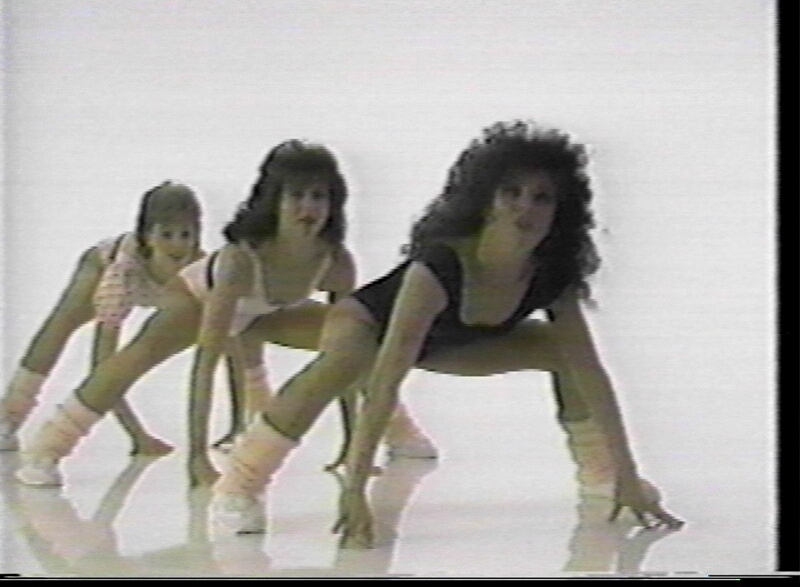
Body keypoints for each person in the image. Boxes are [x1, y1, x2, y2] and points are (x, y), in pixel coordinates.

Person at [209, 120, 685, 545]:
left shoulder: (551, 275)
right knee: (345, 362)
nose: (525, 207)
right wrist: (355, 489)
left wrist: (627, 473)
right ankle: (238, 484)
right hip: (370, 325)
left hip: (453, 343)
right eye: (512, 193)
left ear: (561, 211)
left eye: (542, 197)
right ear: (487, 201)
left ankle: (600, 478)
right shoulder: (438, 267)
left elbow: (592, 374)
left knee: (561, 349)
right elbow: (385, 380)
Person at [13, 140, 434, 489]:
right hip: (198, 301)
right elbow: (207, 361)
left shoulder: (336, 260)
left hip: (265, 312)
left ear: (334, 202)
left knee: (359, 342)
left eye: (319, 196)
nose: (308, 207)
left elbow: (342, 357)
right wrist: (197, 457)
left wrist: (352, 446)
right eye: (296, 196)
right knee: (131, 362)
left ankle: (398, 434)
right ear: (273, 201)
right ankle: (46, 449)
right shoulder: (239, 260)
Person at [0, 181, 203, 456]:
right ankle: (8, 416)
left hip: (156, 288)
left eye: (185, 234)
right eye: (166, 234)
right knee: (61, 326)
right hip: (102, 265)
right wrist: (137, 436)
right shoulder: (120, 275)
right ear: (147, 237)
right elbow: (103, 366)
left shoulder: (199, 269)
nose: (177, 245)